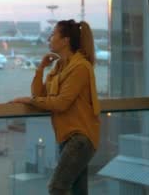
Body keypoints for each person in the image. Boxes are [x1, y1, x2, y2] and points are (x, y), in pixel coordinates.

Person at [11, 19, 100, 195]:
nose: (49, 38)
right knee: (78, 191)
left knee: (57, 188)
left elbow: (60, 103)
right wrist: (42, 67)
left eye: (53, 34)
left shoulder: (80, 67)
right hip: (68, 138)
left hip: (80, 138)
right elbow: (40, 95)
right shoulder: (59, 66)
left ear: (65, 40)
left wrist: (29, 101)